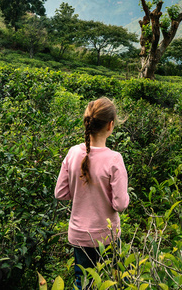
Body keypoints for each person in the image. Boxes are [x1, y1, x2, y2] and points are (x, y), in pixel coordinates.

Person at [55, 97, 129, 290]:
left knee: (83, 283)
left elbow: (60, 193)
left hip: (79, 235)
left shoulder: (72, 152)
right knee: (113, 281)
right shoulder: (114, 159)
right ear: (110, 125)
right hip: (107, 236)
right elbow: (120, 205)